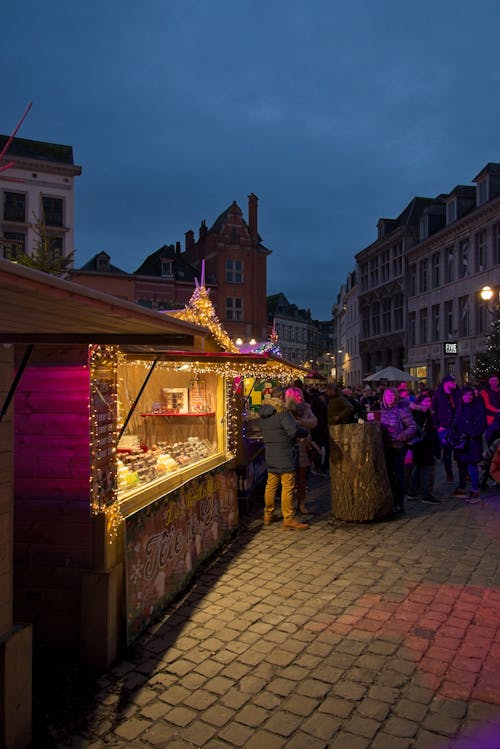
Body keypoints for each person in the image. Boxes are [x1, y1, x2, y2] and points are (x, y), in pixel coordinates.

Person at [257, 385, 309, 529]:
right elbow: (293, 431)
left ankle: (268, 514)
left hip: (271, 454)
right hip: (285, 454)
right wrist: (303, 433)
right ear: (281, 397)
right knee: (287, 486)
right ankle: (289, 518)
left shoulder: (263, 414)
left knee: (271, 485)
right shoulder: (282, 413)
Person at [380, 387, 417, 513]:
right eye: (388, 396)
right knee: (389, 475)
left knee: (398, 477)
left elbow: (412, 426)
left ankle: (399, 504)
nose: (391, 398)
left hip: (398, 447)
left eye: (393, 396)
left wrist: (401, 436)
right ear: (384, 397)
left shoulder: (402, 409)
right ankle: (390, 502)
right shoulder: (382, 410)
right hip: (386, 447)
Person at [452, 386, 487, 504]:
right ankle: (462, 489)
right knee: (462, 465)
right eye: (466, 395)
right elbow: (456, 423)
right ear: (461, 396)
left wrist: (471, 433)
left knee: (472, 466)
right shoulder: (460, 407)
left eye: (470, 395)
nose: (468, 397)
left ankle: (475, 491)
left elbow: (482, 424)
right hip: (461, 442)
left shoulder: (477, 407)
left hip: (472, 442)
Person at [285, 387, 317, 514]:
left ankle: (301, 503)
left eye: (299, 396)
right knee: (290, 479)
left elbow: (314, 422)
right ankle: (290, 504)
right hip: (290, 447)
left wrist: (301, 422)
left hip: (303, 446)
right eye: (296, 397)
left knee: (302, 478)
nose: (299, 399)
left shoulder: (306, 409)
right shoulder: (286, 411)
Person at [407, 393, 440, 504]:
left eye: (429, 401)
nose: (428, 403)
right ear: (420, 403)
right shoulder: (423, 414)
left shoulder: (417, 413)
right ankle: (426, 494)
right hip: (424, 445)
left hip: (418, 445)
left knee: (417, 469)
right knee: (425, 470)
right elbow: (426, 431)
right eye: (426, 401)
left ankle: (412, 492)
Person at [431, 375, 458, 483]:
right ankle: (449, 474)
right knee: (447, 453)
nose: (455, 384)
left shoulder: (455, 394)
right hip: (444, 428)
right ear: (447, 383)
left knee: (458, 451)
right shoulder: (438, 395)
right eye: (453, 382)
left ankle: (463, 474)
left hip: (455, 427)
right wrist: (438, 426)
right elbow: (433, 411)